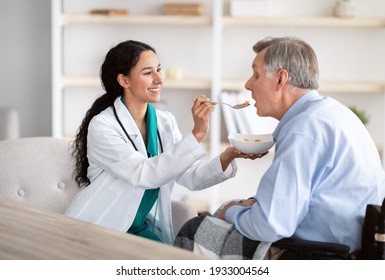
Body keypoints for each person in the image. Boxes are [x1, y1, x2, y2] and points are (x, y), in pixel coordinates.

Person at [174, 36, 385, 259]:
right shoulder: (333, 113)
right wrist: (253, 205)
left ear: (280, 79)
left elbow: (270, 225)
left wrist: (230, 210)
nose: (248, 84)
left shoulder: (303, 130)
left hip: (316, 255)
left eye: (256, 75)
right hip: (352, 245)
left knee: (194, 229)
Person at [64, 40, 265, 245]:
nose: (159, 79)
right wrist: (196, 134)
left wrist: (229, 154)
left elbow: (190, 176)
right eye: (148, 72)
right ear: (124, 80)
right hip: (102, 228)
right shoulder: (103, 126)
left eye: (159, 69)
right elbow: (146, 174)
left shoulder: (164, 122)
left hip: (138, 228)